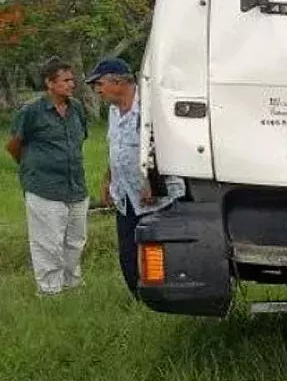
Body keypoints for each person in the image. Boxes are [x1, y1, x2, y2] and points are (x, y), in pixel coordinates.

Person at [87, 57, 184, 293]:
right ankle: (139, 299)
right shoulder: (113, 111)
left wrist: (151, 182)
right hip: (126, 196)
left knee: (161, 252)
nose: (96, 90)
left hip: (158, 196)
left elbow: (169, 146)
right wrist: (108, 181)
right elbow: (117, 148)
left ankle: (167, 296)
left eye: (99, 84)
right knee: (128, 254)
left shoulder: (152, 106)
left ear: (118, 82)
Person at [6, 56, 90, 296]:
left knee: (75, 240)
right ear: (50, 83)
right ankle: (49, 292)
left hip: (75, 186)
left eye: (72, 80)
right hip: (44, 187)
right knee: (47, 243)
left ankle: (72, 285)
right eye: (65, 80)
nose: (71, 84)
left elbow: (80, 140)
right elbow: (14, 144)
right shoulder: (32, 111)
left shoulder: (77, 109)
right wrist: (32, 166)